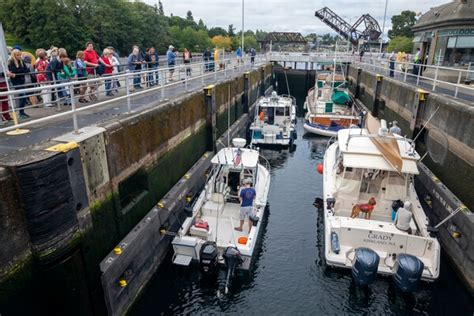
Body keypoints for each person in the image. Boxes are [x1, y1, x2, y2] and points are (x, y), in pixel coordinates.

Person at [8, 49, 30, 119]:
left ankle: (22, 112)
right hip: (16, 82)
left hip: (21, 80)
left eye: (20, 55)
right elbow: (14, 71)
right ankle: (21, 113)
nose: (19, 56)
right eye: (18, 55)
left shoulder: (21, 61)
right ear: (14, 55)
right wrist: (20, 71)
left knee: (23, 96)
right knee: (23, 96)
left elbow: (26, 70)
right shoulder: (11, 62)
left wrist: (18, 72)